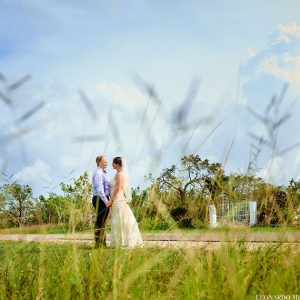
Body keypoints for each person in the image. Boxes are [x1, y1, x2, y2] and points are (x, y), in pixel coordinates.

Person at [109, 157, 143, 248]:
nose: (111, 164)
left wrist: (111, 200)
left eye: (113, 163)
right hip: (116, 200)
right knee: (118, 220)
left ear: (117, 164)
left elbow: (118, 188)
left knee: (121, 220)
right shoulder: (118, 174)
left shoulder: (120, 175)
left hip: (118, 200)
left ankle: (124, 241)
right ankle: (119, 241)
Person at [92, 155, 112, 247]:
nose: (106, 163)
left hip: (104, 198)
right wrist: (105, 200)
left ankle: (102, 242)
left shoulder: (103, 173)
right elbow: (100, 188)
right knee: (100, 221)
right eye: (104, 162)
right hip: (99, 199)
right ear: (99, 162)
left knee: (103, 221)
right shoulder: (98, 173)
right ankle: (99, 243)